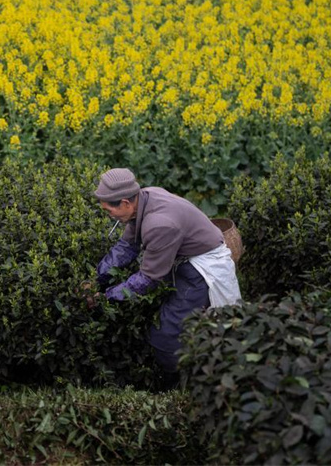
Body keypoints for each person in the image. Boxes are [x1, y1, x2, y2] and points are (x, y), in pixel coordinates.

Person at [93, 168, 241, 392]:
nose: (109, 216)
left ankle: (177, 388)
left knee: (167, 335)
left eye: (108, 210)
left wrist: (106, 297)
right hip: (184, 258)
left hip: (201, 269)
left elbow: (148, 279)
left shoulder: (160, 223)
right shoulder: (143, 199)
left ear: (125, 202)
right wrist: (96, 279)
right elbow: (126, 247)